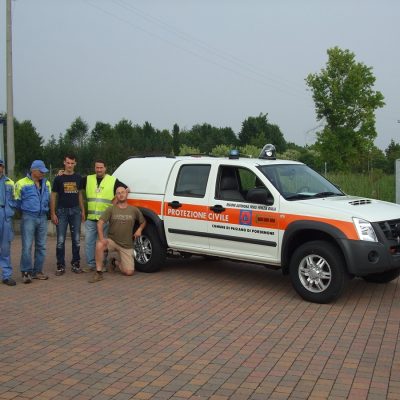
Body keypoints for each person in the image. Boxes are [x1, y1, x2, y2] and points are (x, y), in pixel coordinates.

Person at [89, 187, 146, 283]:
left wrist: (139, 229)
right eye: (118, 193)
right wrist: (102, 238)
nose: (121, 194)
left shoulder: (134, 210)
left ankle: (114, 262)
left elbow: (143, 221)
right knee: (99, 244)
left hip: (126, 245)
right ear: (116, 196)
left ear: (126, 194)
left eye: (123, 192)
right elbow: (100, 223)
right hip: (112, 241)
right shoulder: (111, 209)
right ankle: (98, 273)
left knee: (129, 272)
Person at [81, 160, 127, 272]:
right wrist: (61, 173)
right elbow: (74, 184)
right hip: (91, 218)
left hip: (104, 219)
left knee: (103, 242)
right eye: (97, 167)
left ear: (105, 168)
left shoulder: (112, 180)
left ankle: (103, 264)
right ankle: (91, 264)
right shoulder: (88, 179)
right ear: (94, 168)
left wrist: (114, 203)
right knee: (89, 242)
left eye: (101, 167)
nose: (99, 170)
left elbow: (126, 189)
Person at [15, 160, 51, 283]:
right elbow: (16, 201)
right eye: (41, 171)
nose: (43, 174)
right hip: (28, 217)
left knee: (41, 246)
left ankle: (37, 271)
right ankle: (26, 272)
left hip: (42, 217)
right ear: (33, 171)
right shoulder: (21, 183)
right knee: (27, 246)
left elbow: (49, 199)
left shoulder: (47, 183)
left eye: (44, 171)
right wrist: (26, 211)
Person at [51, 154, 85, 276]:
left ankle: (76, 264)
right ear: (64, 163)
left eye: (72, 163)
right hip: (62, 212)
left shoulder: (78, 177)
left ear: (75, 164)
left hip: (75, 211)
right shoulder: (58, 178)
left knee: (76, 239)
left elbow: (80, 195)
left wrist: (82, 211)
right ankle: (60, 266)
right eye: (68, 163)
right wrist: (53, 213)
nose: (70, 165)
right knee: (60, 240)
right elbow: (53, 195)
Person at [0, 159, 17, 286]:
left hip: (5, 216)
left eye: (0, 166)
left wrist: (11, 210)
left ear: (3, 167)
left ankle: (6, 276)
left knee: (5, 248)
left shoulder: (10, 182)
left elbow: (15, 199)